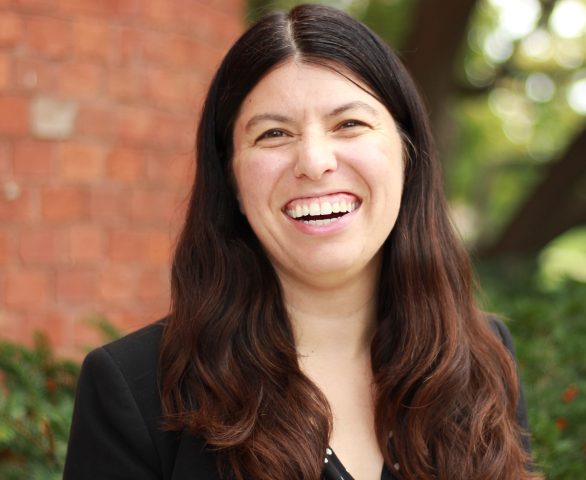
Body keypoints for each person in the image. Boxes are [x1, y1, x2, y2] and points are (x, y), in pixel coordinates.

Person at [64, 4, 539, 480]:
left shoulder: (479, 357)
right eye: (273, 134)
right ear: (230, 178)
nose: (314, 161)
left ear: (407, 152)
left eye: (349, 124)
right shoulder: (136, 387)